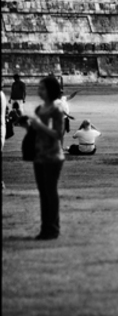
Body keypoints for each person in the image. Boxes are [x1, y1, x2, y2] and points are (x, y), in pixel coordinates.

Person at [20, 76, 66, 240]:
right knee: (43, 193)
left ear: (50, 91)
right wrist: (28, 126)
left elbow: (58, 134)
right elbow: (38, 132)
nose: (39, 91)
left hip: (53, 157)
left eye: (42, 88)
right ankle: (45, 228)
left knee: (50, 192)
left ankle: (53, 228)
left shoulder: (56, 110)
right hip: (39, 156)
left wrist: (39, 125)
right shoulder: (40, 109)